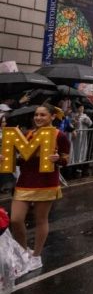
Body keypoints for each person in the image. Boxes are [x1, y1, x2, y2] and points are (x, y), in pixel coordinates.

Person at [2, 104, 71, 272]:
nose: (38, 118)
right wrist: (7, 158)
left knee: (41, 220)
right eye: (36, 115)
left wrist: (58, 159)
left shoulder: (59, 135)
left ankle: (36, 256)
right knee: (16, 219)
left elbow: (66, 159)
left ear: (52, 117)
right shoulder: (28, 134)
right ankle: (24, 252)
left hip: (46, 182)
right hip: (25, 181)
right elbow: (24, 158)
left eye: (43, 115)